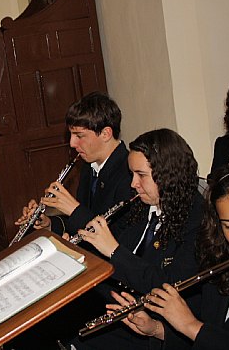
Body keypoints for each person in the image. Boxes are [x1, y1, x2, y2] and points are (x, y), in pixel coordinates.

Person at [111, 162, 229, 349]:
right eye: (228, 225)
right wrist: (157, 329)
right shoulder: (221, 264)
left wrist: (191, 326)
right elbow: (211, 336)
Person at [71, 128, 204, 349]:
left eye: (141, 175)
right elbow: (119, 264)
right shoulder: (142, 207)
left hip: (157, 328)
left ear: (168, 174)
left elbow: (169, 286)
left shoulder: (196, 219)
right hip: (121, 308)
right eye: (132, 174)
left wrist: (113, 250)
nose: (133, 183)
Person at [14, 92, 133, 240]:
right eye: (71, 135)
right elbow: (77, 224)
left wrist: (74, 209)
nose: (72, 144)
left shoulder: (130, 175)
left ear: (105, 133)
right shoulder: (89, 166)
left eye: (79, 136)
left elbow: (119, 238)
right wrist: (49, 224)